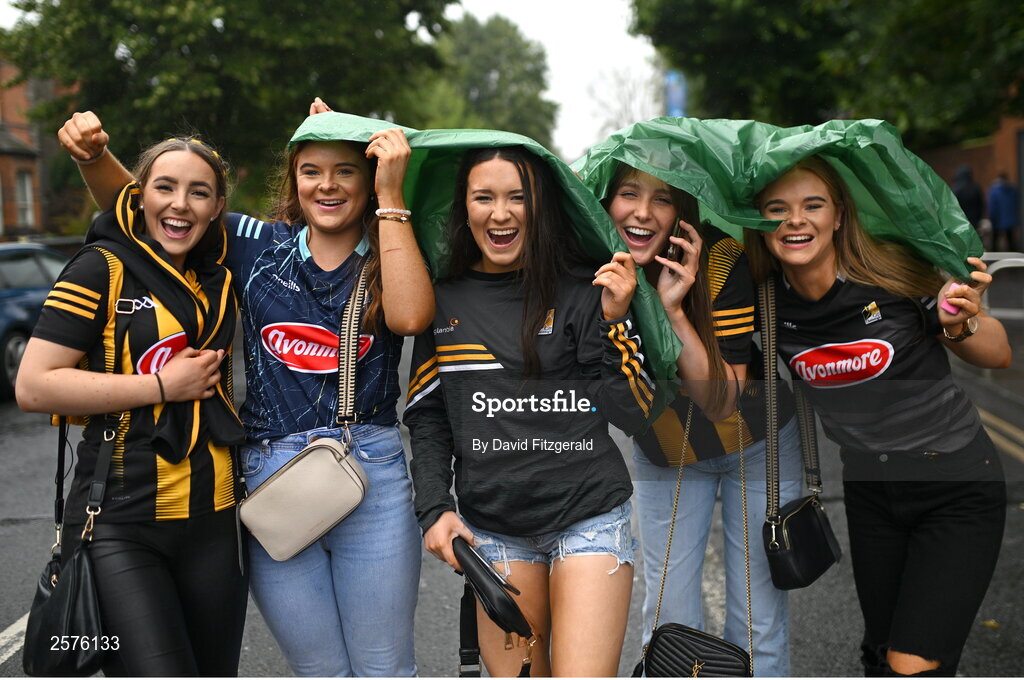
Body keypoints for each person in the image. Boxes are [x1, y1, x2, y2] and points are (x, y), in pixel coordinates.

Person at [56, 104, 434, 677]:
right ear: (293, 180)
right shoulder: (255, 244)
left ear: (370, 179)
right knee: (317, 669)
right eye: (311, 170)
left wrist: (392, 195)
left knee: (385, 666)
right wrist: (94, 157)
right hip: (272, 476)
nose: (327, 185)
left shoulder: (395, 246)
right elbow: (145, 209)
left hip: (370, 473)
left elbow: (409, 318)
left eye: (345, 171)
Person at [747, 155, 1009, 676]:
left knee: (910, 664)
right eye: (778, 209)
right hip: (870, 492)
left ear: (838, 215)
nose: (795, 220)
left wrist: (962, 323)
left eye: (812, 205)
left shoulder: (891, 273)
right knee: (880, 654)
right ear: (761, 224)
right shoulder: (766, 302)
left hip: (956, 485)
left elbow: (999, 353)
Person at [405, 146, 652, 676]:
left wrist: (615, 322)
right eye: (484, 197)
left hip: (588, 516)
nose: (501, 213)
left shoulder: (586, 288)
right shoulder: (440, 298)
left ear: (541, 207)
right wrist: (433, 508)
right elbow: (428, 418)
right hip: (492, 529)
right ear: (463, 207)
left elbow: (631, 414)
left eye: (519, 197)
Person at [17, 134, 248, 675]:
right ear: (138, 195)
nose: (179, 204)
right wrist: (163, 386)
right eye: (164, 187)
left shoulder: (221, 274)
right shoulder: (101, 267)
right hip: (120, 522)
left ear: (217, 208)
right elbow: (34, 385)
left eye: (199, 192)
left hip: (217, 523)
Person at [601, 162, 801, 676]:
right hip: (668, 451)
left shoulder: (720, 259)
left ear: (682, 210)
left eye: (662, 198)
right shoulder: (591, 266)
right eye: (628, 194)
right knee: (667, 616)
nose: (643, 212)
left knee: (758, 621)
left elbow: (719, 402)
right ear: (606, 204)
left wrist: (674, 312)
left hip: (755, 443)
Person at [951, 165, 985, 248]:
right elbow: (981, 204)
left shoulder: (956, 188)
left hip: (960, 222)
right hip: (974, 221)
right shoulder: (976, 187)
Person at [987, 172, 1019, 252]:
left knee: (995, 242)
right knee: (1011, 242)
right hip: (1010, 220)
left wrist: (992, 218)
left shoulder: (994, 190)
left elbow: (992, 206)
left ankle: (994, 260)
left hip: (997, 220)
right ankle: (1014, 259)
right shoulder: (1013, 190)